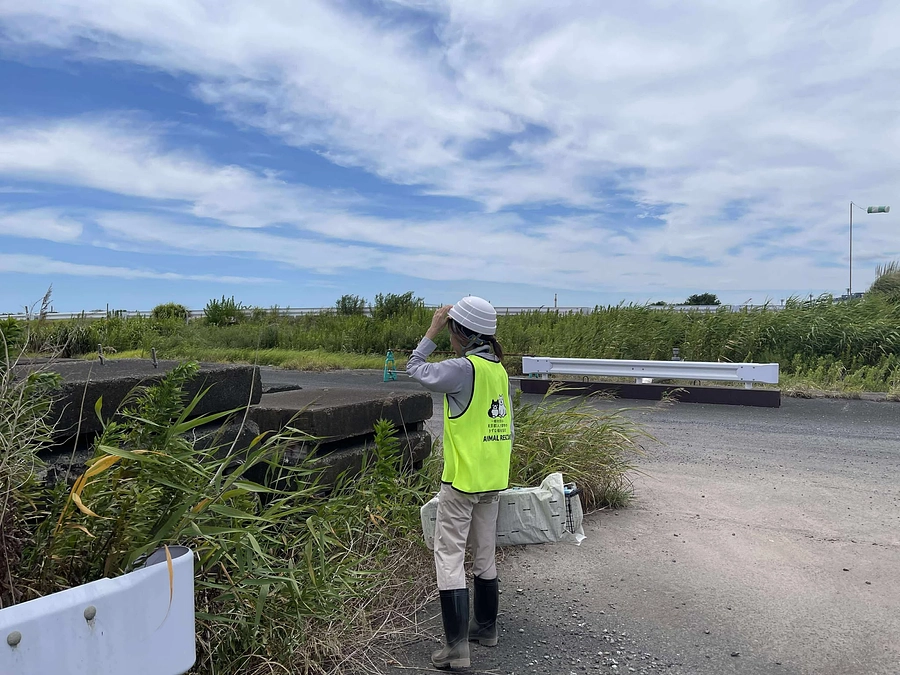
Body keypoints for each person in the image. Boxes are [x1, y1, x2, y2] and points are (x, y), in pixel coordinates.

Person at [407, 296, 514, 670]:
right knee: (485, 552)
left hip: (462, 481)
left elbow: (414, 368)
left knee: (448, 556)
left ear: (461, 332)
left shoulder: (462, 368)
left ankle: (455, 650)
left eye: (451, 329)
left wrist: (432, 329)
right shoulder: (498, 370)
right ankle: (485, 628)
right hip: (492, 480)